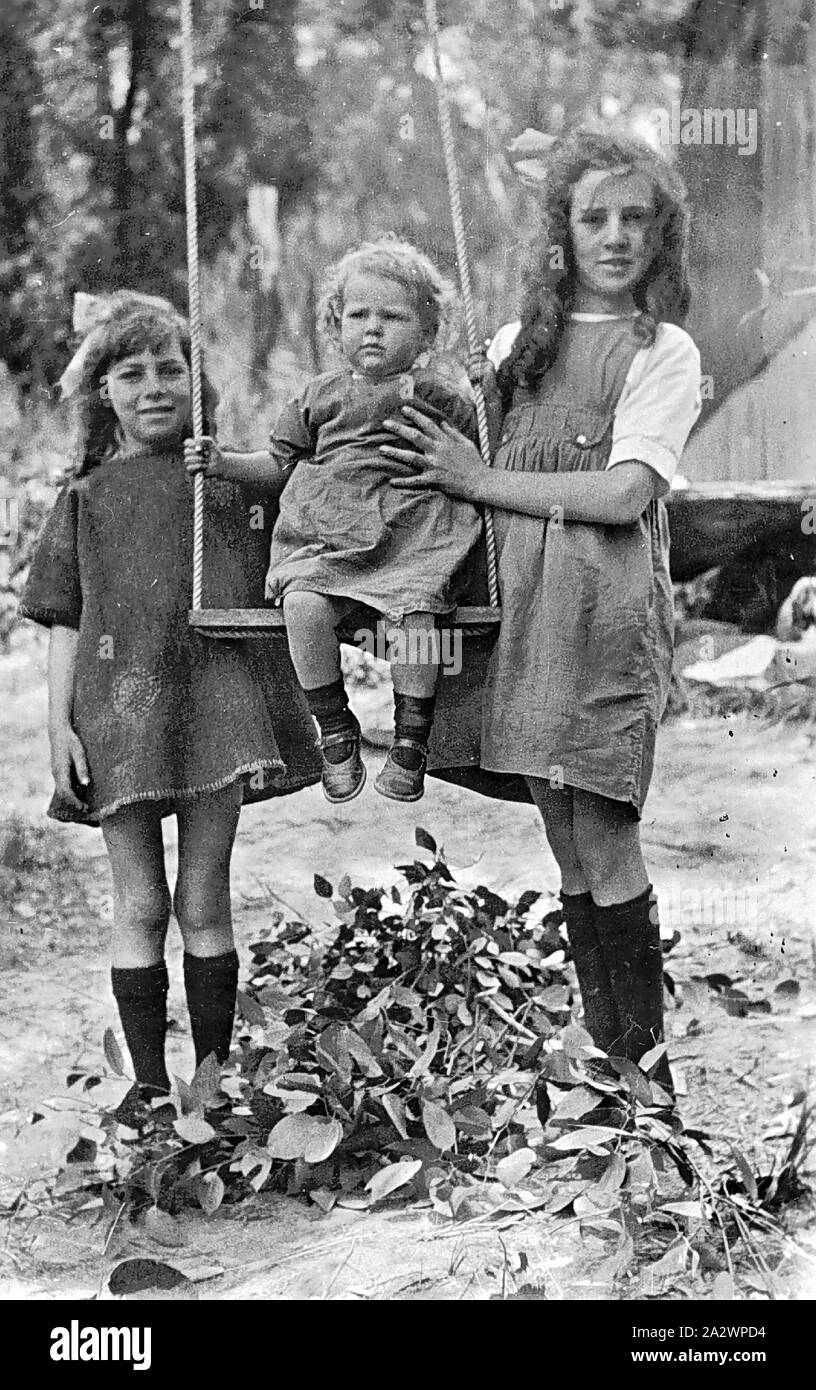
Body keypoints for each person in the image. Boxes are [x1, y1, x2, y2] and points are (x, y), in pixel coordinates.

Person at [380, 131, 702, 1113]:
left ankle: (653, 1088)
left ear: (661, 234)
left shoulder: (664, 351)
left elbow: (622, 491)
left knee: (605, 833)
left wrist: (483, 477)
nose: (614, 236)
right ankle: (614, 1062)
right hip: (523, 605)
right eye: (591, 217)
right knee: (564, 837)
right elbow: (463, 433)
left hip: (600, 611)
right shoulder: (528, 344)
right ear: (561, 232)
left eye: (634, 218)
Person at [19, 291, 321, 1108]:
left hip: (215, 711)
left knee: (203, 895)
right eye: (131, 373)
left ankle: (213, 1084)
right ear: (103, 393)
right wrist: (58, 732)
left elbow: (299, 539)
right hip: (118, 717)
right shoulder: (88, 498)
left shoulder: (223, 486)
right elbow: (63, 624)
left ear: (195, 381)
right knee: (142, 901)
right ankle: (152, 1095)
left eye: (169, 368)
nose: (154, 386)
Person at [265, 239, 484, 804]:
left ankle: (411, 742)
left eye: (393, 316)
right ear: (336, 325)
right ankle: (335, 731)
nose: (373, 328)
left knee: (419, 617)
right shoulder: (319, 395)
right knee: (303, 605)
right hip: (332, 531)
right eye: (358, 314)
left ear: (427, 331)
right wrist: (218, 465)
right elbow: (277, 463)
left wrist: (490, 391)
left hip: (411, 535)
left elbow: (485, 449)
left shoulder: (438, 393)